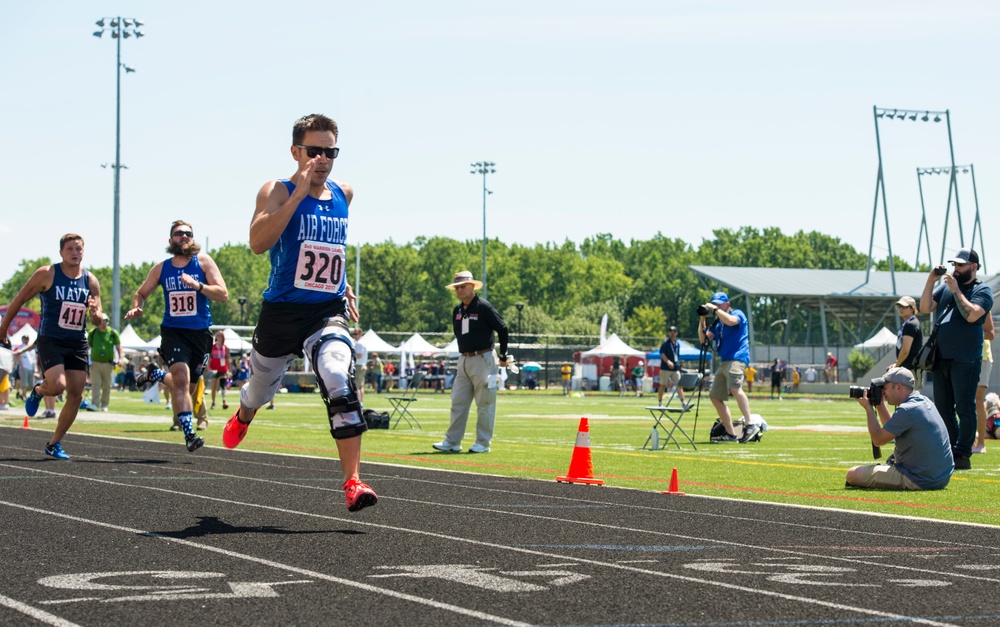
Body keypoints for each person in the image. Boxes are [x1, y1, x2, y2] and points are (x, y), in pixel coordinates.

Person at [222, 113, 377, 512]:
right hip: (280, 313)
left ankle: (353, 481)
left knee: (337, 374)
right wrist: (297, 195)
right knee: (259, 390)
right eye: (314, 151)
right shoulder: (276, 189)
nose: (322, 159)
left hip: (326, 311)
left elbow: (329, 250)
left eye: (330, 151)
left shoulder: (345, 193)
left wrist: (344, 283)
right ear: (296, 151)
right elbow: (258, 243)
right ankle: (244, 412)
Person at [126, 220, 229, 451]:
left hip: (200, 334)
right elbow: (141, 292)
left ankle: (156, 374)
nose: (183, 236)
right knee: (181, 380)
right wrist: (137, 306)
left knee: (188, 387)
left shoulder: (203, 262)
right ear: (170, 239)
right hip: (173, 331)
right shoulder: (162, 268)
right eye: (178, 233)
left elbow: (223, 294)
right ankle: (189, 434)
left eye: (188, 233)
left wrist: (198, 285)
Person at [0, 233, 103, 459]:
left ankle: (54, 443)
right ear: (61, 253)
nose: (75, 253)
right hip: (51, 339)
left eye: (79, 249)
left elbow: (97, 320)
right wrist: (4, 328)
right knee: (57, 386)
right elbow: (19, 299)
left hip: (77, 341)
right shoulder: (47, 274)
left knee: (76, 394)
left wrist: (96, 314)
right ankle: (39, 390)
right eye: (70, 249)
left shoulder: (90, 280)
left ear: (84, 251)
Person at [919, 248, 994, 470]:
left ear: (974, 267)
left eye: (961, 265)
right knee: (943, 407)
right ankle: (951, 448)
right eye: (955, 265)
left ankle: (963, 453)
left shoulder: (982, 290)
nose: (956, 268)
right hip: (942, 358)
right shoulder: (944, 288)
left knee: (965, 407)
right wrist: (931, 280)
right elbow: (924, 307)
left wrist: (956, 291)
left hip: (966, 359)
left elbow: (972, 314)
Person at [433, 270, 509, 454]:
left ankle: (483, 443)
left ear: (472, 286)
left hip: (483, 358)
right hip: (464, 359)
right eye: (457, 287)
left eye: (463, 286)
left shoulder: (484, 307)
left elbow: (503, 328)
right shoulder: (458, 310)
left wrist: (503, 355)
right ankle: (452, 442)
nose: (459, 290)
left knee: (485, 403)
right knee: (458, 402)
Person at [846, 367, 953, 490]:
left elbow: (878, 440)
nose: (883, 392)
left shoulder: (907, 410)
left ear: (898, 387)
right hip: (941, 478)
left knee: (853, 474)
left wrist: (869, 409)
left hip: (919, 479)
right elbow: (892, 427)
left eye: (885, 387)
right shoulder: (924, 402)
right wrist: (880, 405)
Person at [698, 291, 758, 444]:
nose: (716, 306)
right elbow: (703, 339)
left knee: (735, 388)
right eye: (714, 303)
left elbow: (731, 321)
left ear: (727, 304)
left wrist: (716, 311)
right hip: (724, 360)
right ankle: (731, 434)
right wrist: (702, 319)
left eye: (719, 304)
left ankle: (750, 425)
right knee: (715, 397)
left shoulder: (737, 313)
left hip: (737, 357)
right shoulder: (717, 323)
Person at [88, 313, 123, 412]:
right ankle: (95, 404)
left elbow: (118, 347)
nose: (103, 323)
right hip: (95, 362)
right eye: (101, 321)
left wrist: (120, 358)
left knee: (107, 385)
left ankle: (104, 404)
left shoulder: (112, 333)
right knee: (96, 384)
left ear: (108, 322)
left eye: (105, 321)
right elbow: (87, 346)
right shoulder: (93, 332)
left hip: (108, 363)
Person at [973, 312, 995, 454]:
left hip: (982, 358)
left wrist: (970, 330)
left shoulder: (984, 305)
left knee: (978, 400)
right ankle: (969, 439)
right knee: (963, 401)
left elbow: (991, 334)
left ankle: (981, 443)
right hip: (963, 357)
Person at [892, 296, 923, 376]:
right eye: (899, 307)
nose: (900, 309)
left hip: (910, 370)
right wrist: (897, 363)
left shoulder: (911, 325)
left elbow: (905, 350)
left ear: (912, 308)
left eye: (904, 307)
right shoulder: (908, 324)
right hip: (908, 369)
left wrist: (896, 365)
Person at [657, 326, 685, 406]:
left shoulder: (677, 344)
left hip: (675, 368)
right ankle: (660, 402)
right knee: (663, 385)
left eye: (674, 332)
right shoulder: (665, 343)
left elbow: (676, 355)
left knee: (679, 384)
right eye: (670, 332)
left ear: (676, 333)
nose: (672, 334)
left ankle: (683, 402)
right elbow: (662, 354)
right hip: (665, 368)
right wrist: (668, 361)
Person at [208, 330, 230, 411]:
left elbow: (228, 359)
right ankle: (213, 403)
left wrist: (229, 370)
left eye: (220, 335)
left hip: (223, 369)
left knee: (223, 385)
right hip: (214, 369)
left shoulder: (226, 348)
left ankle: (224, 401)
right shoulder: (213, 347)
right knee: (214, 387)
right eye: (218, 335)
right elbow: (209, 357)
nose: (219, 337)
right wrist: (208, 367)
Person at [14, 334, 36, 402]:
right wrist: (20, 365)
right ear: (22, 339)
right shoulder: (21, 347)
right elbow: (17, 355)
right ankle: (24, 396)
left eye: (27, 339)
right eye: (25, 339)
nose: (26, 340)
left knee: (31, 384)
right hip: (24, 367)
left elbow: (34, 358)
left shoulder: (31, 348)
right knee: (24, 383)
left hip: (31, 367)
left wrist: (34, 368)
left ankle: (21, 393)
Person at [352, 327, 368, 403]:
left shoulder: (359, 343)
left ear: (360, 334)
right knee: (361, 386)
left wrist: (350, 356)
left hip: (358, 365)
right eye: (353, 334)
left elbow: (359, 355)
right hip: (362, 365)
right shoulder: (363, 342)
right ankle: (360, 402)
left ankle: (358, 402)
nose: (354, 336)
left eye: (356, 334)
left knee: (356, 386)